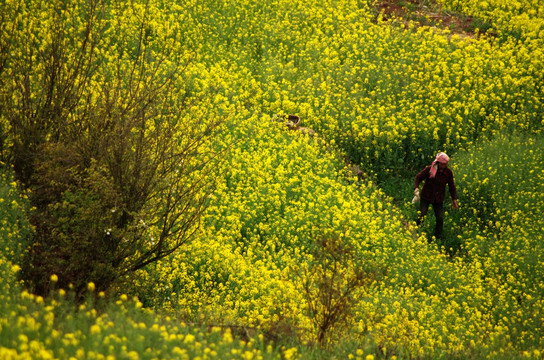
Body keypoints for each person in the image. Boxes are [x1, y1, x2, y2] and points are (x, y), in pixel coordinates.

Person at [412, 152, 458, 239]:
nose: (445, 165)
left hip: (438, 199)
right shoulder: (430, 169)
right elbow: (418, 177)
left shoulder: (448, 173)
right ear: (438, 163)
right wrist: (416, 188)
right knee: (422, 214)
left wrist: (454, 200)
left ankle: (437, 238)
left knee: (440, 218)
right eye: (443, 164)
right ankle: (416, 232)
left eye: (446, 164)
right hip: (426, 196)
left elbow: (452, 186)